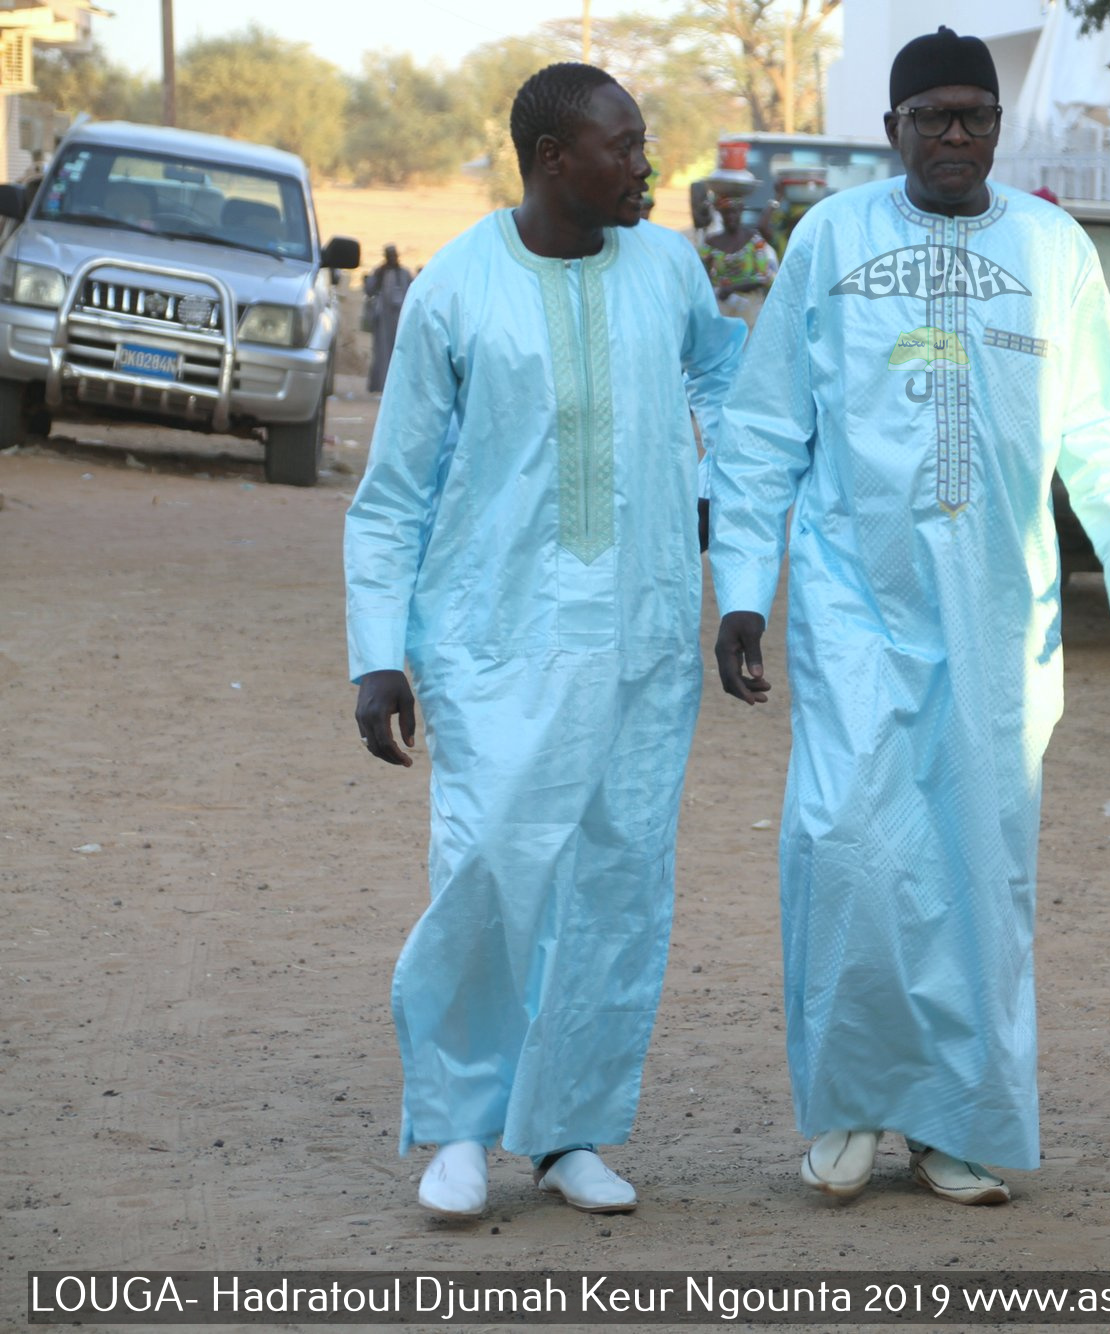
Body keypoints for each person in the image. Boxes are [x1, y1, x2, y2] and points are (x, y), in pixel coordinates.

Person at [708, 26, 1110, 1208]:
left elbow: (1097, 430)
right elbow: (764, 427)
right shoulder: (832, 239)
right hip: (850, 599)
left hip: (996, 616)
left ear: (996, 126)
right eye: (932, 117)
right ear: (893, 132)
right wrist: (738, 591)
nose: (956, 134)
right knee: (846, 847)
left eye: (974, 113)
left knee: (979, 864)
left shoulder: (1050, 245)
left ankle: (955, 1119)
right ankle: (853, 1107)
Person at [344, 63, 744, 1221]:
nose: (647, 165)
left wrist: (713, 480)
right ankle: (461, 1123)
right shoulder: (459, 289)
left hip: (642, 635)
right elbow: (393, 490)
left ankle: (567, 1129)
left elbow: (724, 373)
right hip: (492, 635)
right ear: (553, 159)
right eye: (624, 146)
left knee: (617, 883)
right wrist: (378, 651)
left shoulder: (666, 266)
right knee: (486, 868)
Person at [699, 188, 777, 330]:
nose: (731, 216)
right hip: (721, 310)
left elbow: (764, 277)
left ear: (741, 212)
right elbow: (700, 275)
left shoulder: (754, 241)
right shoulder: (711, 243)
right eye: (726, 212)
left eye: (734, 212)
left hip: (750, 310)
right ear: (720, 214)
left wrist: (731, 288)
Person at [362, 244, 412, 394]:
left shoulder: (404, 274)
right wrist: (377, 276)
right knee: (381, 354)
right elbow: (369, 290)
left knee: (399, 352)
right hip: (383, 320)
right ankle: (379, 386)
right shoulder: (380, 272)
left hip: (400, 320)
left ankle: (398, 386)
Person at [683, 179, 714, 246]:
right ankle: (701, 240)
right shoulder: (702, 188)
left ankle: (699, 240)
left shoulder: (696, 188)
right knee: (703, 227)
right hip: (701, 210)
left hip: (698, 210)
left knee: (700, 227)